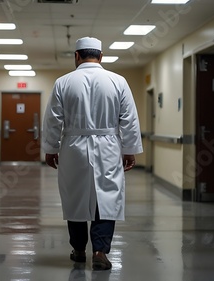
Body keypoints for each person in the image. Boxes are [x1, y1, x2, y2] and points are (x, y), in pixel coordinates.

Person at [41, 37, 143, 270]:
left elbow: (53, 119)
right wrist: (129, 150)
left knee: (75, 196)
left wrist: (50, 149)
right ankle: (100, 251)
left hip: (73, 146)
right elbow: (129, 119)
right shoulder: (118, 81)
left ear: (76, 56)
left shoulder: (63, 82)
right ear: (101, 56)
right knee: (106, 198)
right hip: (108, 146)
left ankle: (78, 249)